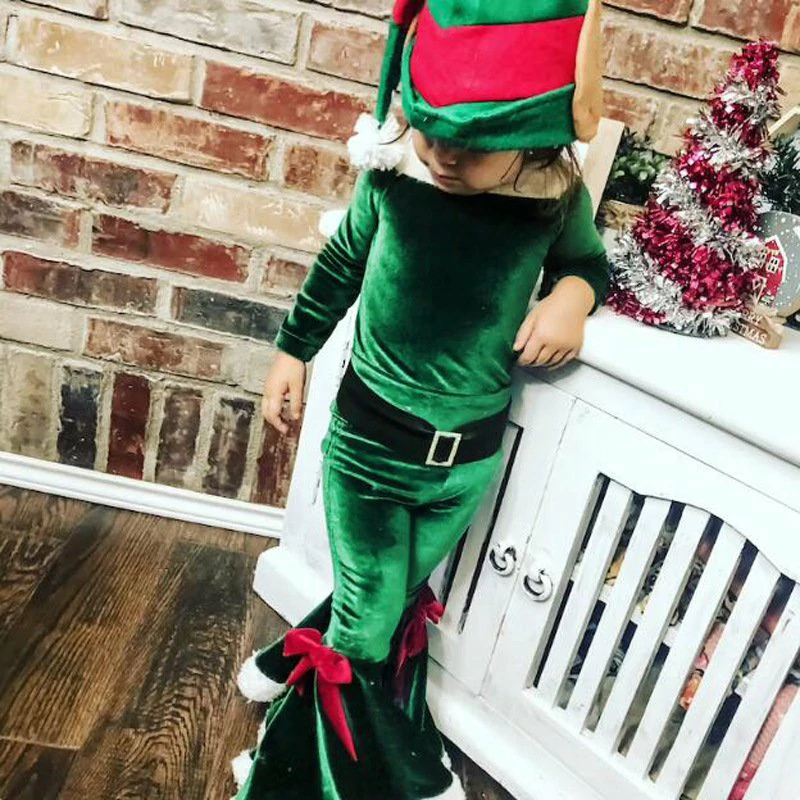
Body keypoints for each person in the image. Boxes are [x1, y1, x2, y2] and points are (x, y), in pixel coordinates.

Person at [233, 1, 607, 798]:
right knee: (368, 632)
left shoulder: (552, 200)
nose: (441, 153)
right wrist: (292, 352)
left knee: (390, 603)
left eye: (471, 144)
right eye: (429, 129)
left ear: (533, 132)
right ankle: (306, 774)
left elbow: (587, 263)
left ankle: (281, 661)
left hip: (465, 464)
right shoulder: (394, 180)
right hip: (370, 449)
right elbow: (339, 266)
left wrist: (571, 297)